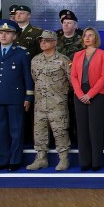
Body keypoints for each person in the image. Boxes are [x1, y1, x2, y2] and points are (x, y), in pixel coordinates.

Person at [0, 20, 33, 172]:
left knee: (16, 129)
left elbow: (27, 77)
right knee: (0, 131)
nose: (3, 35)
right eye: (1, 32)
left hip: (15, 98)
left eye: (7, 33)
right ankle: (3, 160)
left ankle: (15, 160)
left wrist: (28, 97)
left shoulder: (22, 53)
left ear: (14, 36)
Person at [27, 31, 72, 171]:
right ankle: (41, 159)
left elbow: (71, 82)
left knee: (60, 131)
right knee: (39, 132)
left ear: (54, 42)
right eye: (41, 40)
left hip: (57, 103)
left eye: (46, 40)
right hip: (40, 103)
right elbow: (34, 78)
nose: (43, 43)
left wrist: (60, 93)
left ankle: (64, 159)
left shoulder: (63, 60)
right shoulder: (35, 60)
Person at [70, 27, 104, 171]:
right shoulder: (77, 55)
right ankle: (84, 162)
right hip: (80, 94)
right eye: (85, 35)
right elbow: (73, 76)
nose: (87, 38)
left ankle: (96, 162)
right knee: (82, 129)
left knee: (95, 129)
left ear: (96, 38)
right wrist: (80, 94)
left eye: (90, 35)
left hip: (97, 94)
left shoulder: (103, 54)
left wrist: (90, 94)